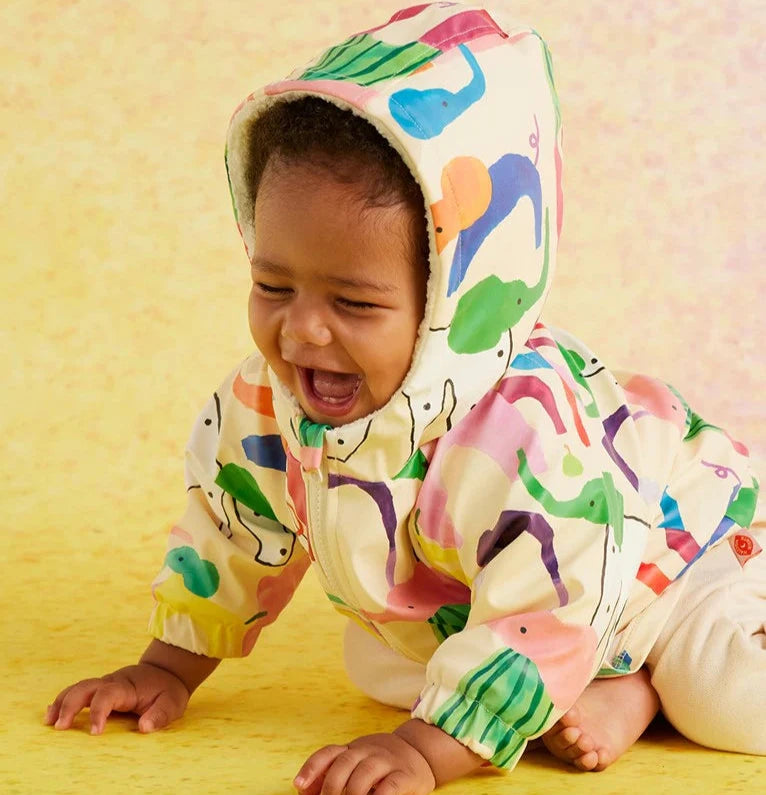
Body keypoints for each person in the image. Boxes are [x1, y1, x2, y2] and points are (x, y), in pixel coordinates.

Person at [45, 3, 764, 793]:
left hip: (665, 558)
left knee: (726, 699)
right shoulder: (264, 401)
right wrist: (166, 667)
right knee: (385, 657)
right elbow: (233, 528)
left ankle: (643, 686)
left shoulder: (521, 435)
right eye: (272, 285)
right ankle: (573, 683)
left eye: (353, 304)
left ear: (452, 306)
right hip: (491, 599)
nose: (302, 331)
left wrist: (424, 750)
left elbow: (558, 584)